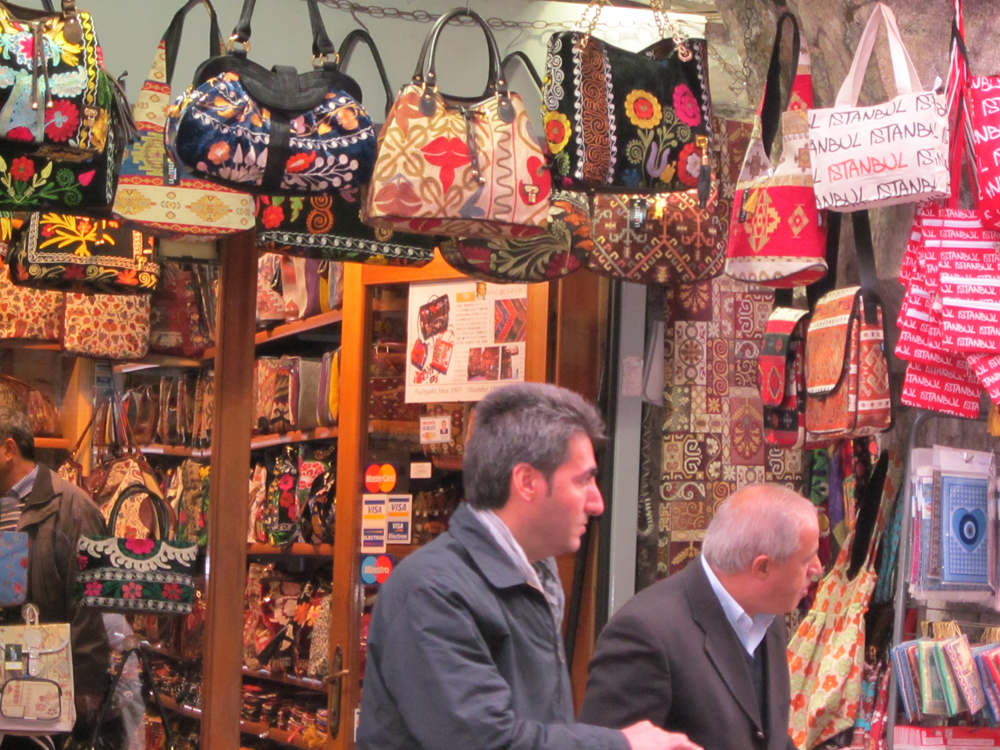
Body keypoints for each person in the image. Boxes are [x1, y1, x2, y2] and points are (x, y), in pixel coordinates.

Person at [357, 383, 701, 750]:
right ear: (526, 482)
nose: (597, 502)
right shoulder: (433, 591)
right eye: (583, 480)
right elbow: (486, 742)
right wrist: (623, 745)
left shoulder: (534, 578)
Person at [579, 484, 822, 750]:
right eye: (806, 559)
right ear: (762, 567)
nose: (818, 568)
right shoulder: (645, 633)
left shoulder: (767, 616)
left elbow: (764, 737)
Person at [0, 406, 112, 750]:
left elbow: (89, 609)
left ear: (7, 450)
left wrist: (85, 695)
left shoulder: (74, 510)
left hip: (45, 692)